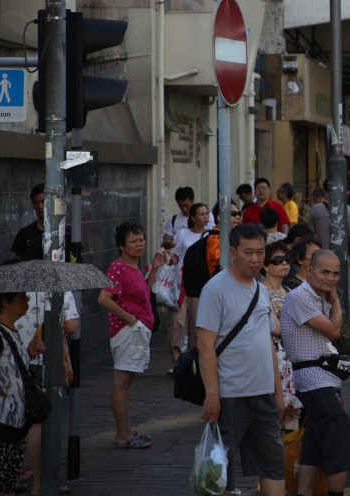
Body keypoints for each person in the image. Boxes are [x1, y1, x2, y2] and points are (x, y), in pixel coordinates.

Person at [198, 224, 293, 496]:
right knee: (220, 472)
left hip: (263, 395)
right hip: (229, 396)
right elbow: (205, 346)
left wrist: (277, 392)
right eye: (248, 252)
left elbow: (267, 344)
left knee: (274, 465)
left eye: (260, 252)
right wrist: (212, 395)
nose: (255, 259)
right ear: (233, 252)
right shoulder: (215, 289)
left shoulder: (261, 291)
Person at [281, 249, 350, 496]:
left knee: (314, 444)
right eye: (324, 272)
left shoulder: (317, 296)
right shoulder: (300, 296)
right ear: (309, 270)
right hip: (314, 381)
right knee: (340, 443)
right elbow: (334, 331)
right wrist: (337, 302)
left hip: (322, 379)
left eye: (336, 273)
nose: (331, 278)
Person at [98, 222, 167, 449]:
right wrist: (131, 320)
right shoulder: (118, 267)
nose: (139, 244)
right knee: (122, 383)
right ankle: (122, 434)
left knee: (126, 383)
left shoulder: (134, 266)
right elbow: (104, 298)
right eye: (133, 241)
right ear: (121, 246)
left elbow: (143, 294)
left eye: (141, 240)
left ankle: (125, 429)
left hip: (136, 330)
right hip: (127, 332)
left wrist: (154, 269)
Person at [15, 289, 79, 496]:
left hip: (13, 359)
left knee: (15, 418)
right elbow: (71, 325)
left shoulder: (12, 281)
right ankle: (41, 482)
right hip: (43, 360)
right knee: (38, 422)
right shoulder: (56, 286)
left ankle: (11, 474)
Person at [0, 292, 44, 495]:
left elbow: (8, 369)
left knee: (7, 485)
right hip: (0, 422)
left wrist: (29, 354)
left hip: (14, 424)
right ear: (5, 301)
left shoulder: (10, 331)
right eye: (22, 296)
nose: (28, 299)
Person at [260, 242, 302, 429]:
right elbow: (276, 328)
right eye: (277, 260)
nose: (284, 263)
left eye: (287, 259)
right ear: (265, 265)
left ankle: (289, 458)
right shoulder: (260, 291)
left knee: (292, 418)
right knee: (273, 418)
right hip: (272, 361)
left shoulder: (291, 292)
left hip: (293, 360)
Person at [171, 202, 211, 370]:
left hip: (199, 285)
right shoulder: (182, 235)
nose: (205, 217)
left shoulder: (211, 236)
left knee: (196, 322)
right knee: (177, 323)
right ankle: (176, 362)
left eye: (206, 214)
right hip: (180, 283)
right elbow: (175, 255)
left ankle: (194, 360)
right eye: (201, 214)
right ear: (193, 218)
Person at [10, 184, 45, 261]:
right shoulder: (24, 234)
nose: (40, 206)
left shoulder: (64, 233)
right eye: (36, 203)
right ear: (33, 205)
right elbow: (17, 265)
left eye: (43, 201)